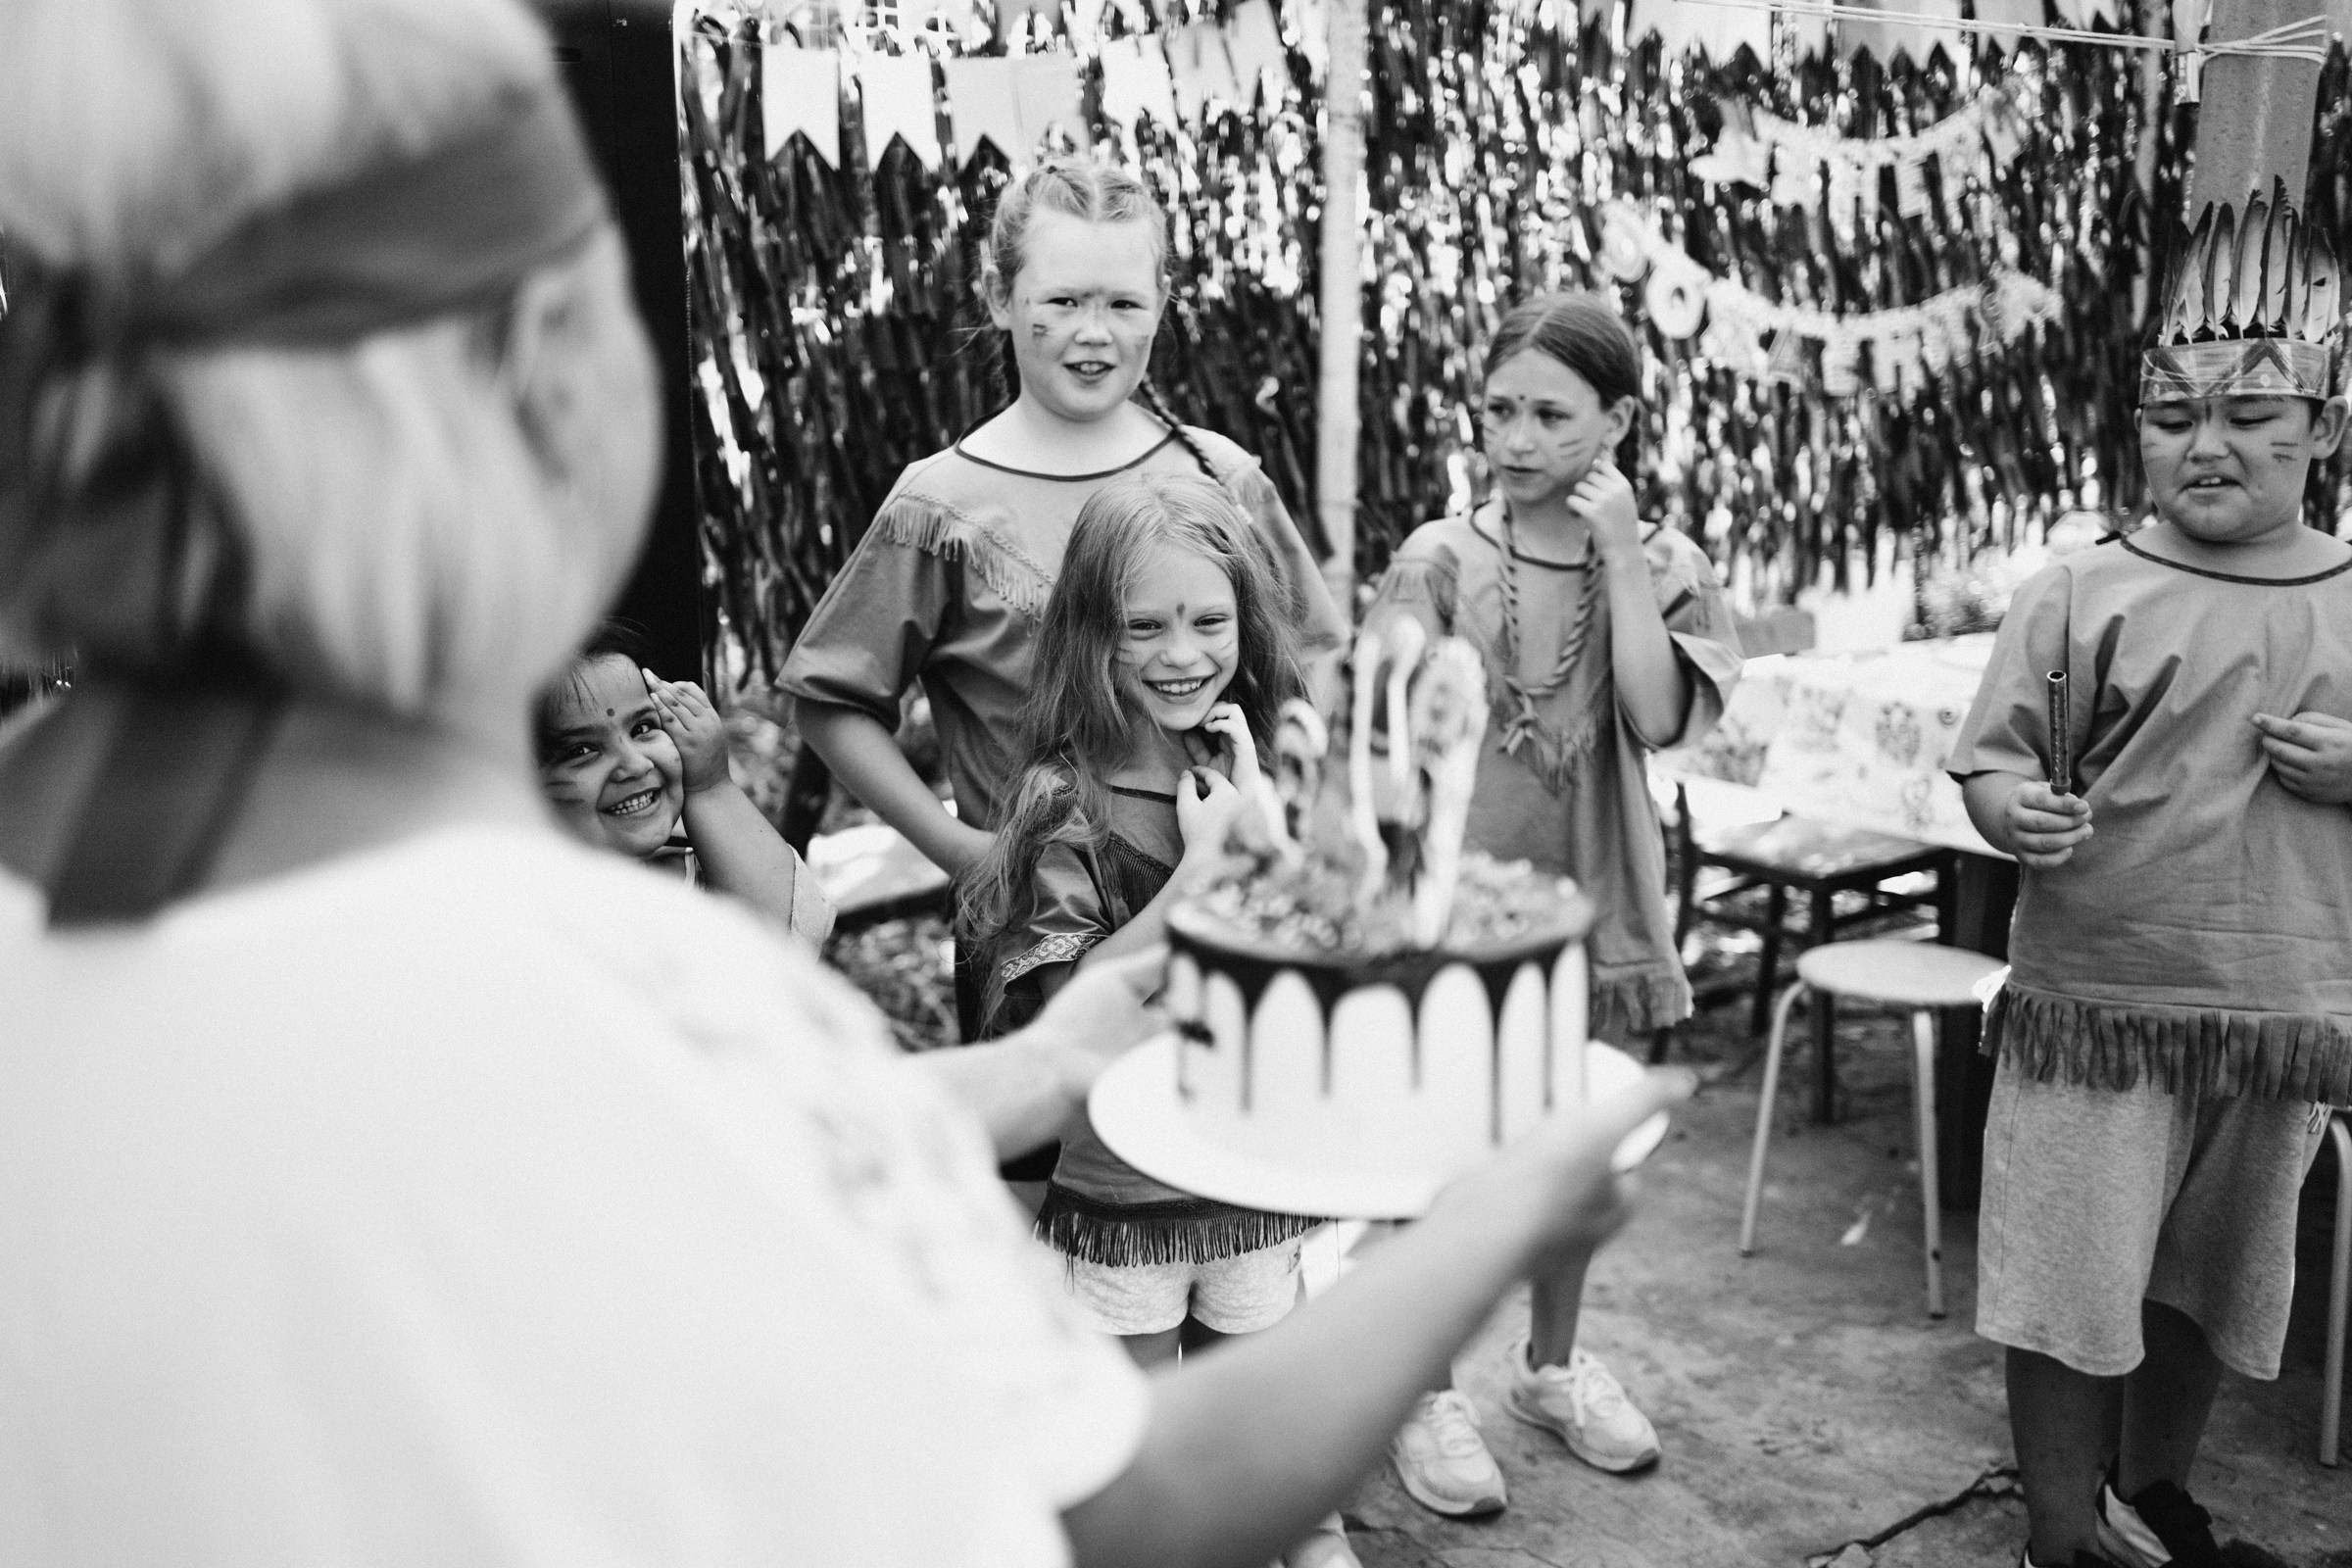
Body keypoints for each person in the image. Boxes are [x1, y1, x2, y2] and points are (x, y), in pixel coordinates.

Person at [0, 4, 1691, 1565]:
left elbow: (696, 1150)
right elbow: (1134, 1505)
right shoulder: (633, 984)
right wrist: (1491, 1218)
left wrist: (1044, 1062)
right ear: (546, 393)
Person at [1948, 208, 2352, 1568]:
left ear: (2325, 426)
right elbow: (1995, 759)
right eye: (2174, 417)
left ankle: (2157, 1492)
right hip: (2099, 1005)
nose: (2208, 444)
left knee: (2205, 1285)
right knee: (2070, 1282)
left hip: (2279, 1011)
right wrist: (2014, 811)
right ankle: (2061, 1532)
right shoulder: (2076, 591)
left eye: (2251, 414)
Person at [777, 155, 1348, 1063]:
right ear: (999, 298)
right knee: (1061, 1149)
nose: (1094, 332)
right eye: (1063, 301)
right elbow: (830, 699)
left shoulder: (1219, 477)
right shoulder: (943, 506)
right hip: (1047, 949)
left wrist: (1287, 825)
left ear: (1162, 303)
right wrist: (966, 851)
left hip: (1239, 928)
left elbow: (1313, 662)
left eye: (1123, 303)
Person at [1364, 292, 1742, 1518]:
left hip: (1592, 897)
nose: (1516, 440)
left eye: (1551, 416)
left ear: (1619, 422)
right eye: (1500, 411)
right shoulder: (1439, 556)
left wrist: (1621, 552)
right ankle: (1423, 1387)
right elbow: (1381, 722)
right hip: (1450, 911)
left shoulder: (1667, 564)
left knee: (1572, 1145)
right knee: (1431, 1153)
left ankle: (1550, 1366)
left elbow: (1657, 715)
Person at [962, 471, 1347, 1565]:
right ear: (1093, 633)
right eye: (1146, 626)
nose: (1183, 653)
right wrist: (1201, 875)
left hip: (1253, 1174)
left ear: (1246, 624)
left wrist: (1271, 831)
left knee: (1255, 1396)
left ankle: (1299, 1527)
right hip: (1124, 1194)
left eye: (1209, 621)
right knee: (1135, 1443)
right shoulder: (1064, 804)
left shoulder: (1256, 771)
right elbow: (1064, 1006)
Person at [537, 622, 834, 943]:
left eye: (642, 728)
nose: (637, 765)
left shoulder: (704, 867)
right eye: (581, 751)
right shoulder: (532, 920)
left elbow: (792, 939)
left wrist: (710, 785)